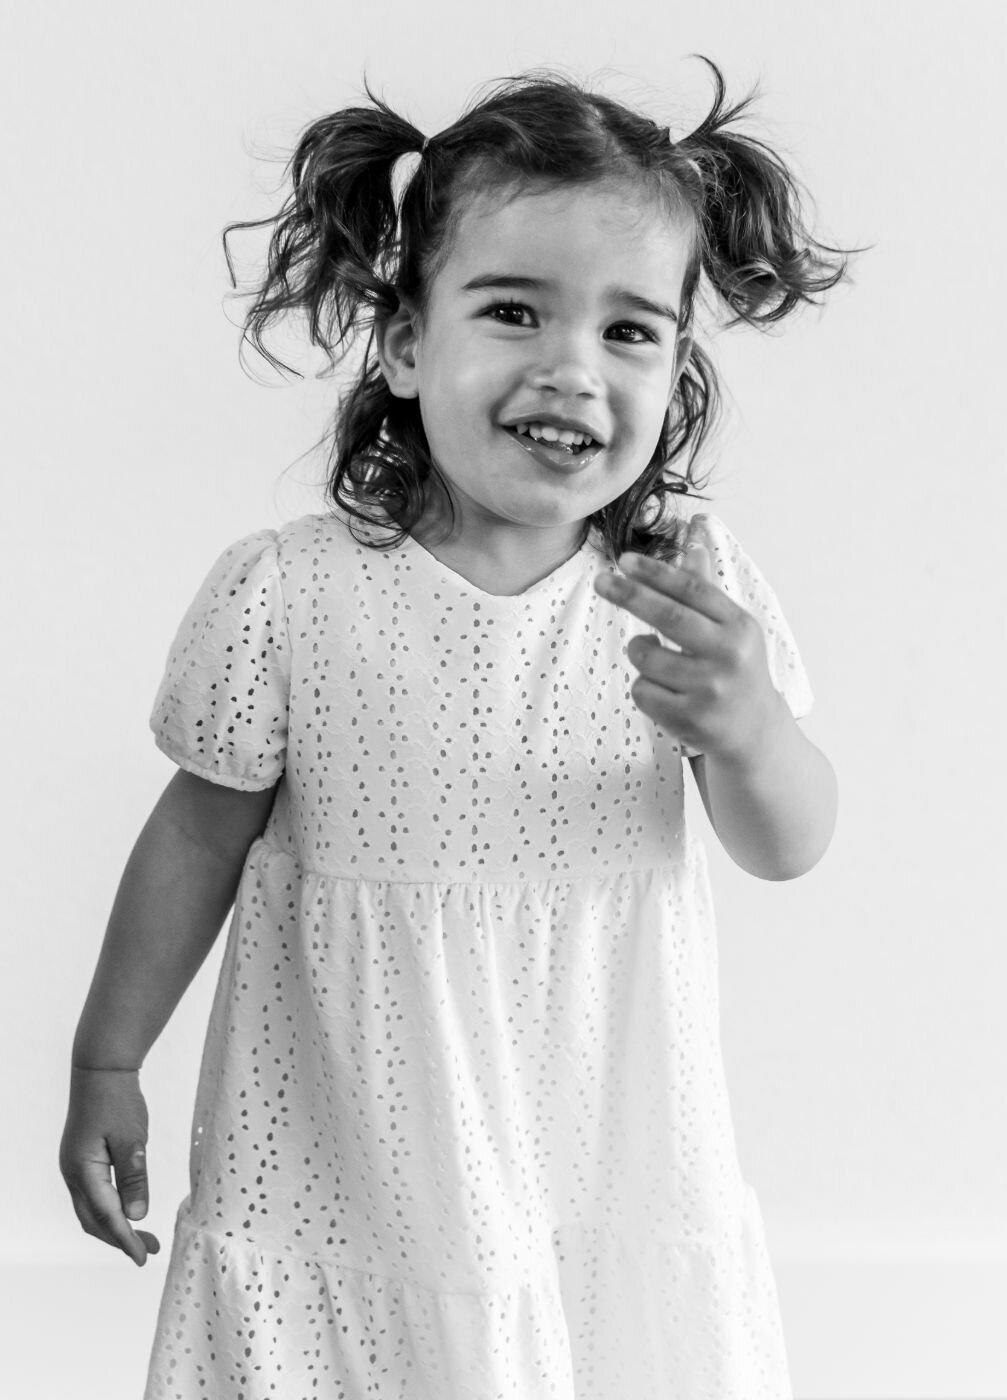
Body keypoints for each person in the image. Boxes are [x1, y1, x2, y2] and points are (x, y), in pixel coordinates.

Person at [61, 56, 858, 1399]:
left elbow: (787, 845)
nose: (571, 366)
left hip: (594, 1124)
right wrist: (107, 1055)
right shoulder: (293, 591)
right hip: (355, 1138)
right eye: (513, 310)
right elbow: (196, 837)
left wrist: (751, 728)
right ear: (407, 340)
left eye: (630, 330)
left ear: (677, 363)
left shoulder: (681, 584)